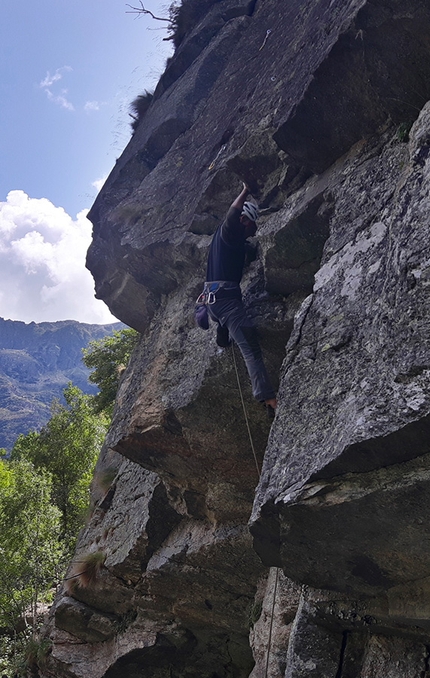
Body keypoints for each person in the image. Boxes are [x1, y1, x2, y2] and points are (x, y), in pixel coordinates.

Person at [202, 183, 277, 414]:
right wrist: (245, 190)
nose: (254, 231)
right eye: (252, 226)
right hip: (226, 301)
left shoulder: (225, 241)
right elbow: (233, 212)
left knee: (226, 327)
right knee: (250, 346)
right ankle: (267, 398)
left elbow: (246, 249)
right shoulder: (230, 230)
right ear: (244, 220)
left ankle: (223, 338)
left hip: (212, 300)